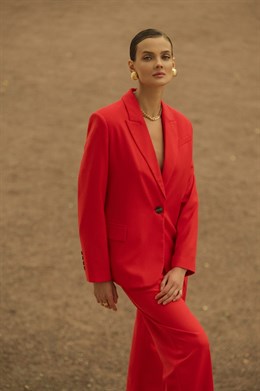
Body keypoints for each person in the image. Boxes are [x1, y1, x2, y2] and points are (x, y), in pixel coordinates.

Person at [78, 28, 214, 391]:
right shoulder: (106, 122)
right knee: (193, 345)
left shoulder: (182, 125)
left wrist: (182, 265)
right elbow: (90, 203)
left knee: (153, 350)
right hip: (132, 262)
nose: (158, 63)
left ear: (174, 64)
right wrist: (99, 274)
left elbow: (189, 199)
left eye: (165, 56)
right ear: (133, 66)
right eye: (148, 56)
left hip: (171, 264)